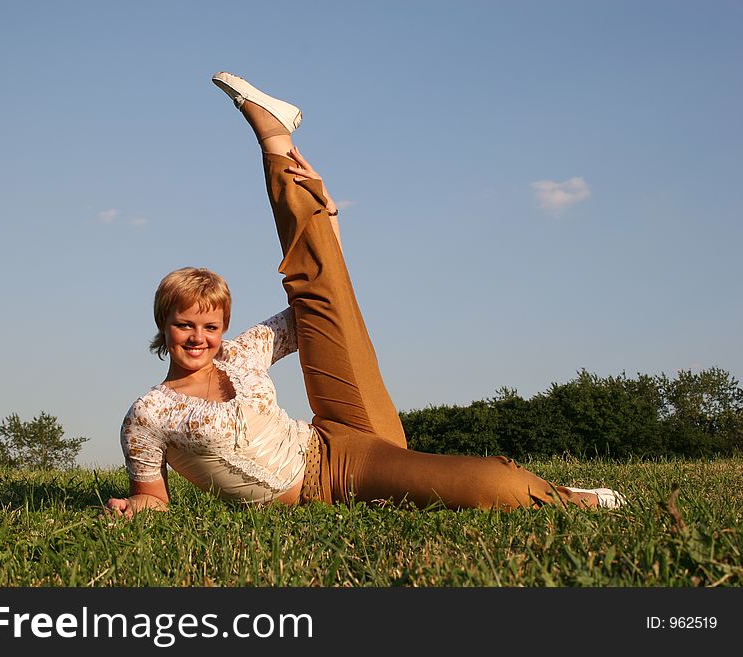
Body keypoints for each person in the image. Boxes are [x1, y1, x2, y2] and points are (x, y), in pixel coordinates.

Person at [105, 72, 626, 518]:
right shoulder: (148, 415)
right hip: (326, 484)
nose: (199, 338)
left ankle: (276, 144)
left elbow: (324, 306)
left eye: (210, 326)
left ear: (221, 328)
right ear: (164, 325)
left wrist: (328, 218)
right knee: (487, 483)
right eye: (185, 324)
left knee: (314, 298)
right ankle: (572, 498)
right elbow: (153, 499)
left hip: (340, 436)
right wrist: (130, 510)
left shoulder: (242, 355)